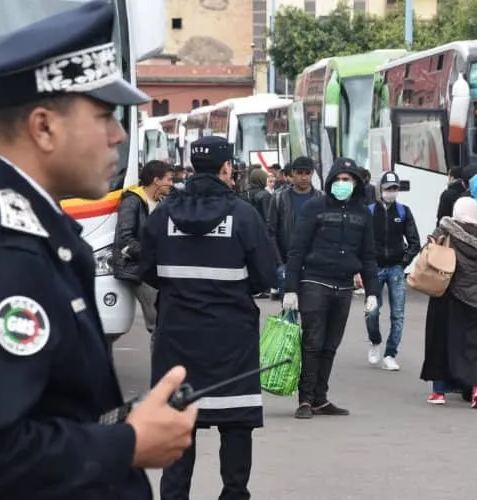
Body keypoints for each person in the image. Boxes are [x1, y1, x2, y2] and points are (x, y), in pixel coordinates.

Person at [0, 2, 197, 499]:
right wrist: (127, 445)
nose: (119, 134)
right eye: (104, 114)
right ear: (44, 127)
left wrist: (113, 424)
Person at [141, 135, 277, 499]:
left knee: (178, 424)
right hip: (231, 339)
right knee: (235, 426)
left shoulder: (164, 214)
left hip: (176, 338)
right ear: (226, 168)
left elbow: (145, 268)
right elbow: (266, 275)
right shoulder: (243, 215)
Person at [283, 157, 379, 419]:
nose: (341, 183)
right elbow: (297, 249)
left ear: (356, 183)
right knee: (313, 342)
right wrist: (290, 288)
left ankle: (320, 398)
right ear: (329, 182)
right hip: (315, 281)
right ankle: (305, 399)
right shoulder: (315, 207)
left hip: (344, 285)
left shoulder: (363, 213)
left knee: (331, 344)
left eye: (347, 179)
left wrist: (373, 293)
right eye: (337, 179)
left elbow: (369, 256)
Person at [423, 197, 477, 408]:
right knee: (475, 347)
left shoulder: (445, 232)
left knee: (441, 342)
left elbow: (428, 253)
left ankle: (439, 392)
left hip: (449, 297)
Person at [113, 160, 174, 348]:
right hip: (138, 269)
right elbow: (125, 238)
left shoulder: (162, 202)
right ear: (156, 180)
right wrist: (152, 254)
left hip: (153, 267)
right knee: (160, 323)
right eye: (169, 180)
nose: (172, 184)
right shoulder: (132, 201)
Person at [365, 171, 421, 371]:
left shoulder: (403, 211)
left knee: (398, 314)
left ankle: (390, 354)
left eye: (395, 188)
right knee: (372, 311)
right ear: (380, 189)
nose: (392, 192)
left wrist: (403, 262)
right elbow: (361, 241)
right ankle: (375, 340)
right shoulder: (369, 211)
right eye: (388, 188)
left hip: (396, 268)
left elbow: (415, 241)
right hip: (374, 268)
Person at [267, 156, 323, 300]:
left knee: (313, 313)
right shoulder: (279, 198)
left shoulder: (321, 198)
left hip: (314, 267)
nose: (303, 177)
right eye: (299, 173)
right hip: (288, 264)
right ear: (292, 173)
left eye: (307, 173)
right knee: (288, 315)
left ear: (312, 174)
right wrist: (280, 264)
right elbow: (271, 233)